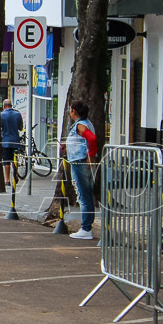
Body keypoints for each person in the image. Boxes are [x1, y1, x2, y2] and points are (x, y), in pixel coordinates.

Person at [60, 100, 98, 240]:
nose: (69, 112)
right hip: (81, 160)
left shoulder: (80, 125)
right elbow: (83, 141)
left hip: (80, 162)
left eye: (70, 109)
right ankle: (87, 226)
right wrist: (68, 145)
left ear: (74, 111)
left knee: (83, 196)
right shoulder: (84, 124)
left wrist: (90, 157)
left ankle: (86, 228)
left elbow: (92, 139)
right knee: (86, 195)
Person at [0, 99, 24, 186]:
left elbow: (0, 127)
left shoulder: (1, 115)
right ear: (11, 105)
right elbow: (21, 128)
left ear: (4, 106)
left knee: (6, 161)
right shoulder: (17, 114)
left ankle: (7, 180)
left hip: (5, 141)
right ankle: (15, 174)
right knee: (15, 160)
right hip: (15, 141)